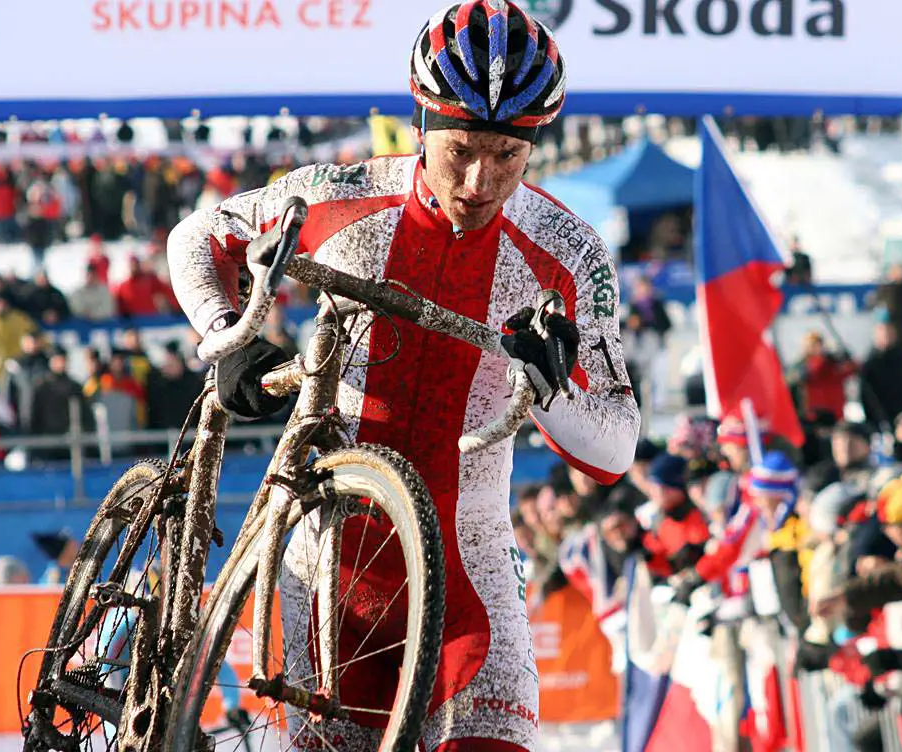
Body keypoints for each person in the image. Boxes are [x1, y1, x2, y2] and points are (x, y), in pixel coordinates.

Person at [166, 3, 640, 749]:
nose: (482, 181)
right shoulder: (342, 193)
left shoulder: (568, 252)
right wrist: (229, 335)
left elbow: (614, 448)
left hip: (468, 567)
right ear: (421, 125)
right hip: (328, 562)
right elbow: (199, 235)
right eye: (460, 152)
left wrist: (552, 388)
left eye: (507, 158)